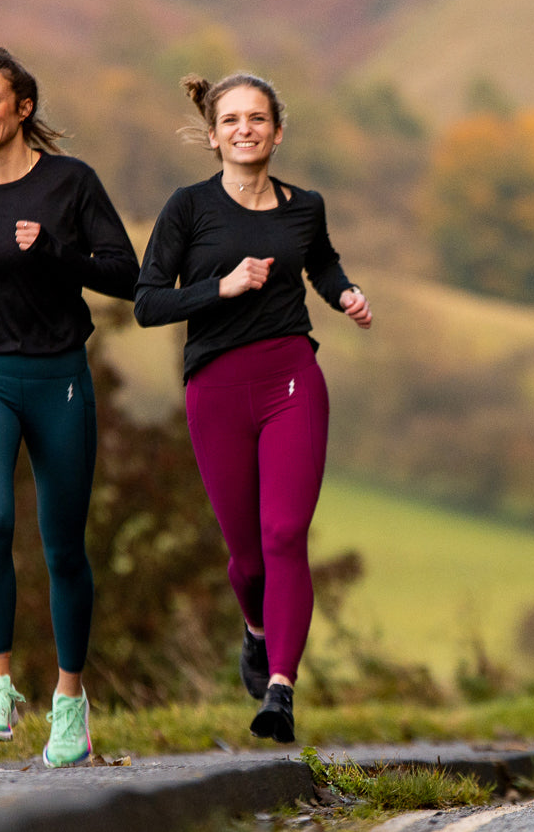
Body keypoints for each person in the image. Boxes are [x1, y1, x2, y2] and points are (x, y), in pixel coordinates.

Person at [134, 72, 372, 743]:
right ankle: (257, 628)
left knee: (285, 535)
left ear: (276, 130)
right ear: (213, 136)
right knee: (246, 556)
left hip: (291, 378)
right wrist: (222, 285)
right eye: (231, 119)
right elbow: (148, 301)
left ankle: (280, 688)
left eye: (257, 118)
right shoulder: (186, 208)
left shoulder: (305, 205)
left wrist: (345, 293)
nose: (245, 128)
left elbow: (321, 263)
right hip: (215, 389)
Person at [0, 47, 139, 767]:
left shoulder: (70, 184)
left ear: (23, 108)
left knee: (63, 547)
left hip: (59, 378)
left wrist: (52, 251)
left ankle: (70, 701)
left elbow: (124, 274)